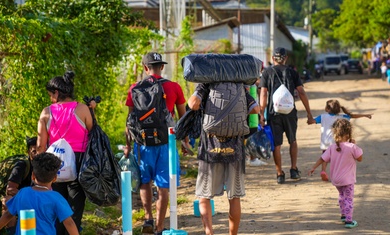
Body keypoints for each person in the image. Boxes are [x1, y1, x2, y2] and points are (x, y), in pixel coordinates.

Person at [124, 52, 187, 235]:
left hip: (142, 142)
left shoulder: (134, 88)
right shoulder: (174, 87)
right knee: (163, 185)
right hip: (166, 142)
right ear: (162, 67)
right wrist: (184, 141)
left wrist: (128, 145)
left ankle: (148, 219)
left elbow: (130, 120)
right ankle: (160, 227)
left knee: (145, 182)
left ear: (145, 68)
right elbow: (183, 118)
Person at [187, 82, 260, 235]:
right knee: (234, 196)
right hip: (235, 148)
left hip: (210, 148)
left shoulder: (205, 84)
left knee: (204, 196)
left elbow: (193, 104)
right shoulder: (239, 87)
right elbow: (256, 109)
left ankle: (209, 232)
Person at [36, 71, 94, 234]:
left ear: (56, 93)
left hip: (54, 163)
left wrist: (38, 170)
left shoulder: (46, 112)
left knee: (56, 204)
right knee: (75, 207)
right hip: (78, 161)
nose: (50, 99)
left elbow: (40, 146)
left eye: (50, 95)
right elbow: (93, 135)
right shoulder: (82, 109)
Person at [259, 47, 314, 184]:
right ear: (286, 58)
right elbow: (301, 92)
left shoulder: (267, 72)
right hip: (290, 112)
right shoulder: (292, 72)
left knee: (276, 144)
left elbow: (264, 94)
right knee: (293, 140)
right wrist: (309, 113)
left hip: (274, 113)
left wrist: (261, 114)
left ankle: (279, 174)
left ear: (273, 59)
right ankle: (294, 169)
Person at [0, 152, 79, 235]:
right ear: (55, 178)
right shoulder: (56, 198)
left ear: (33, 176)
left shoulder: (23, 193)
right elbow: (69, 223)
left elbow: (8, 214)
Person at [308, 119, 362, 229]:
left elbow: (323, 159)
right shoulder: (352, 147)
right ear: (348, 133)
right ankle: (348, 221)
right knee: (348, 199)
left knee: (342, 196)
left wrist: (313, 167)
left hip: (336, 180)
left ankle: (343, 214)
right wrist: (354, 145)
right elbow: (360, 158)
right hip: (348, 180)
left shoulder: (332, 147)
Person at [308, 99, 372, 181]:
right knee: (339, 156)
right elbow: (353, 115)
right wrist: (365, 115)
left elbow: (311, 121)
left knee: (325, 157)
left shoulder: (323, 117)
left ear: (327, 109)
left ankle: (323, 171)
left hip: (326, 142)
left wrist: (309, 116)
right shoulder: (343, 117)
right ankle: (341, 171)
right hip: (337, 141)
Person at [1, 136, 37, 234]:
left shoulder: (45, 165)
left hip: (37, 199)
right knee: (8, 201)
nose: (37, 154)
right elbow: (10, 189)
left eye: (40, 150)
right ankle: (12, 232)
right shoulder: (21, 166)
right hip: (21, 197)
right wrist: (27, 196)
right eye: (34, 151)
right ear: (28, 151)